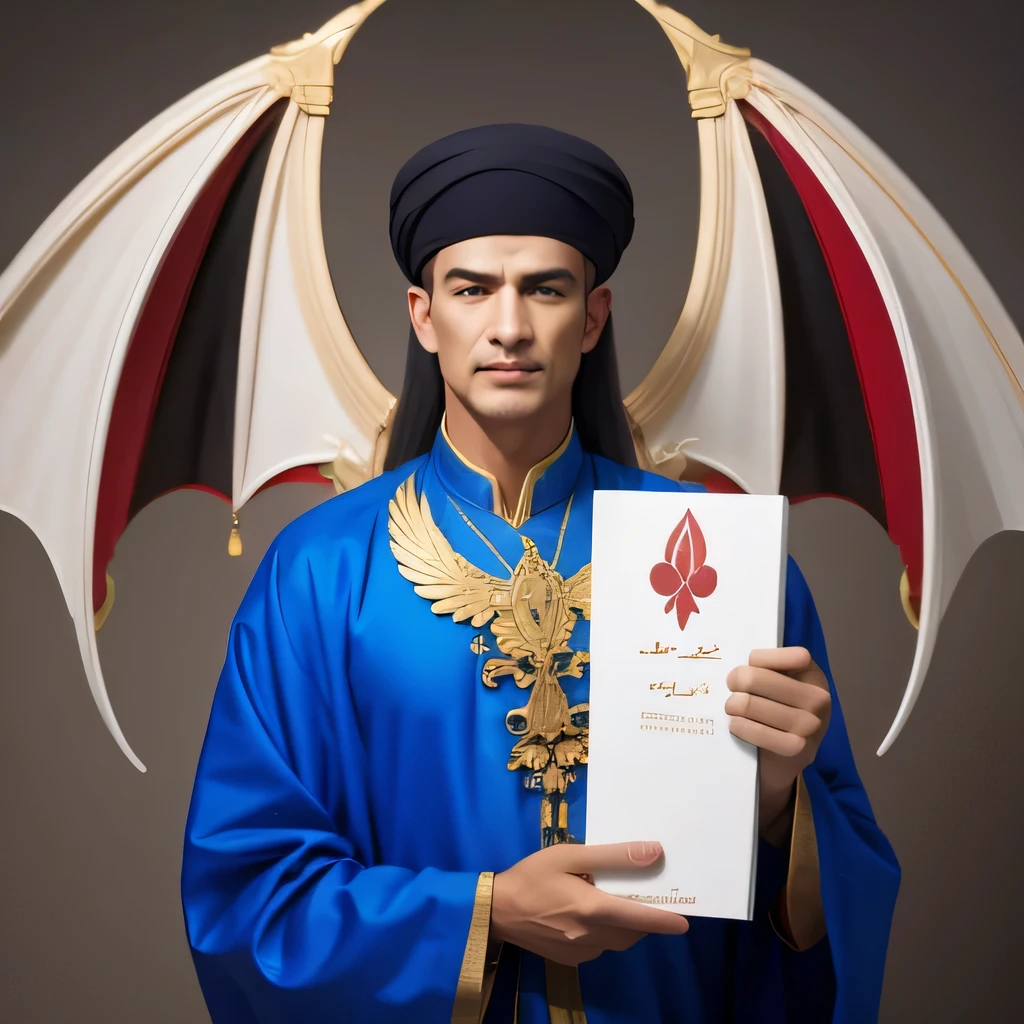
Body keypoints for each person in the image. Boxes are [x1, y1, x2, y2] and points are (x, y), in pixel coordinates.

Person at [180, 123, 900, 1024]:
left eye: (546, 290)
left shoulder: (722, 558)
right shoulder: (318, 574)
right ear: (423, 315)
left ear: (592, 316)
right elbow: (247, 895)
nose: (510, 326)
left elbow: (853, 881)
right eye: (473, 289)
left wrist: (774, 806)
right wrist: (485, 915)